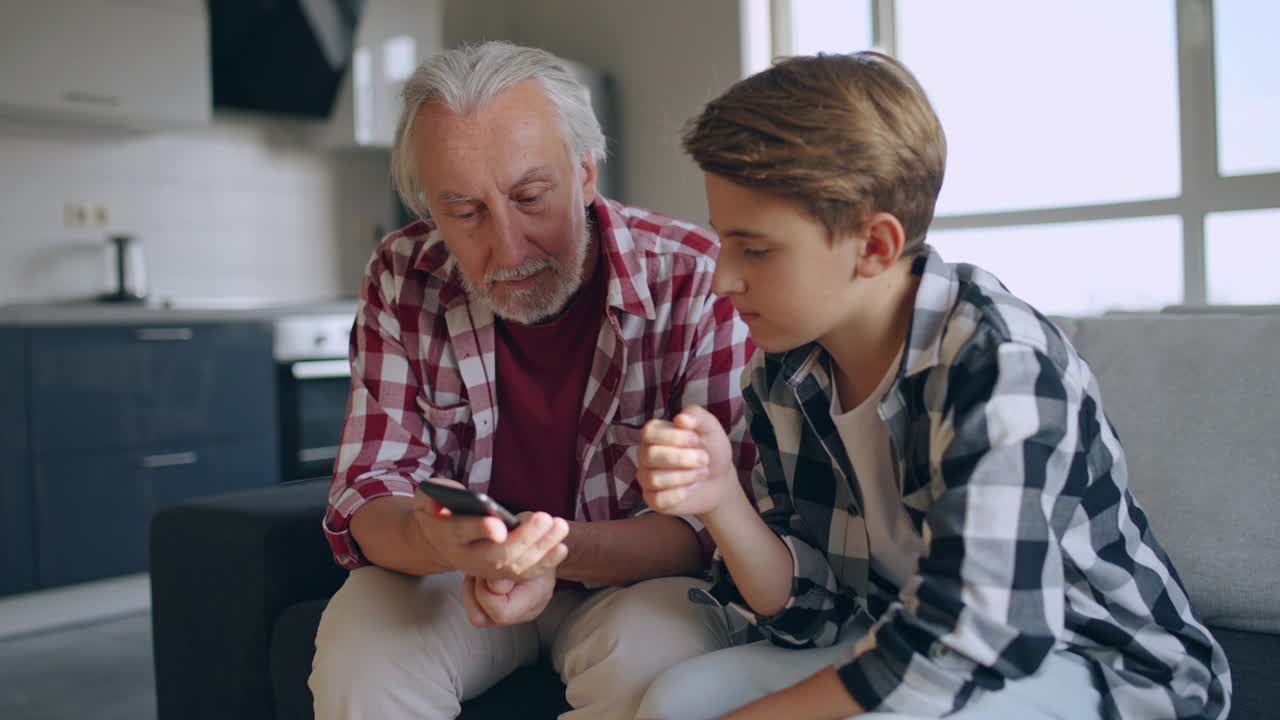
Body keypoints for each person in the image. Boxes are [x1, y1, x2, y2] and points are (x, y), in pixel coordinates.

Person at [634, 51, 1230, 719]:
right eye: (722, 241)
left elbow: (975, 639)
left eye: (757, 249)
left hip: (1088, 662)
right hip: (897, 641)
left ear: (876, 247)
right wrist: (720, 501)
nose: (723, 278)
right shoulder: (781, 374)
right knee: (677, 700)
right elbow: (815, 614)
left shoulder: (1000, 363)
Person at [309, 41, 756, 720]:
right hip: (459, 575)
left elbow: (709, 528)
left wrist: (549, 553)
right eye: (464, 212)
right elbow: (371, 489)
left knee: (659, 655)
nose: (509, 247)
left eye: (529, 197)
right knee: (360, 644)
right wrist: (441, 541)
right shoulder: (403, 274)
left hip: (635, 582)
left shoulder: (694, 279)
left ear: (583, 174)